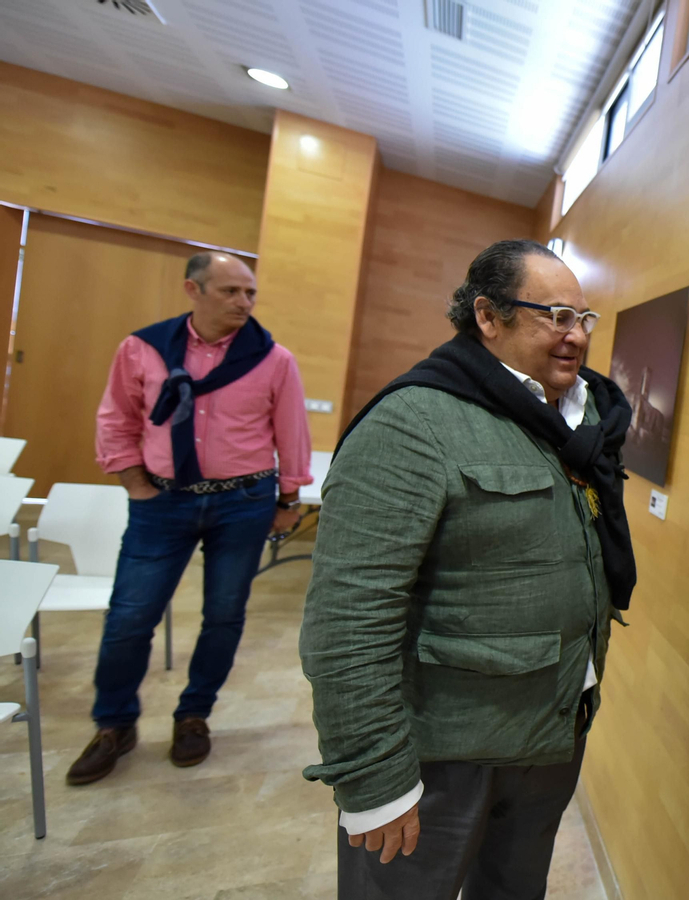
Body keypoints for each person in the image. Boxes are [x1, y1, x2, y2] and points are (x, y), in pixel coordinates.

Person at [300, 240, 637, 899]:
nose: (576, 337)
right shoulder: (414, 423)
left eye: (584, 320)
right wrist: (375, 777)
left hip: (551, 732)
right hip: (441, 754)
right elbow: (347, 616)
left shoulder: (586, 418)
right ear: (489, 316)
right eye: (557, 315)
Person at [69, 251, 312, 785]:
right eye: (230, 292)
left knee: (224, 615)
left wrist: (287, 500)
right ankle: (114, 724)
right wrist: (135, 484)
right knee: (130, 615)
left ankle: (193, 715)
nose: (244, 303)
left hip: (243, 502)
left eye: (250, 293)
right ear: (193, 290)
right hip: (164, 501)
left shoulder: (273, 359)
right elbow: (116, 418)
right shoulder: (144, 349)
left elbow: (292, 431)